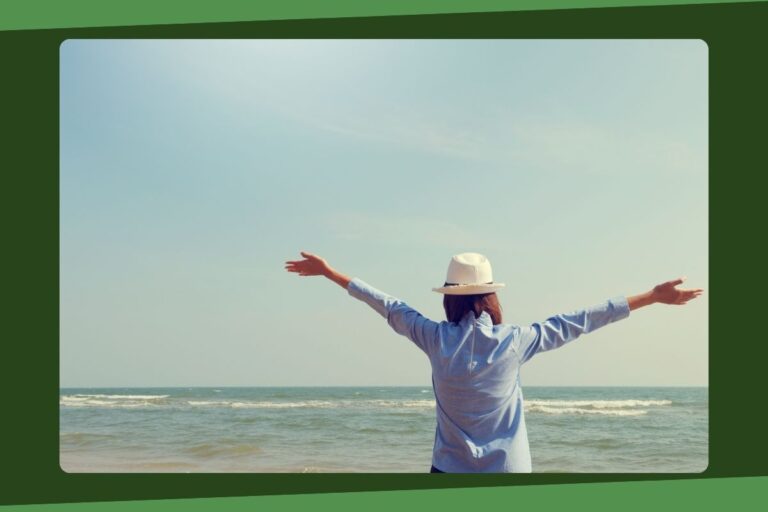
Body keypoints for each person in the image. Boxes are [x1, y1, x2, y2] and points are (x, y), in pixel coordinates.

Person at [284, 251, 703, 473]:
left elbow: (387, 305)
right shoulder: (516, 341)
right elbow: (584, 320)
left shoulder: (433, 337)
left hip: (448, 472)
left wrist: (331, 272)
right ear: (491, 298)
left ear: (449, 298)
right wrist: (652, 297)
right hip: (510, 472)